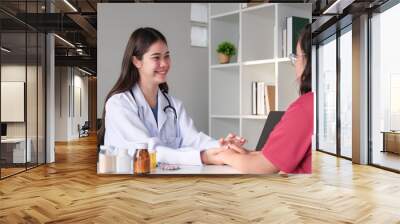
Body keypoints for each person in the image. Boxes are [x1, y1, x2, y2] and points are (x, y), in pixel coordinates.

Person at [98, 27, 245, 166]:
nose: (164, 64)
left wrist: (222, 145)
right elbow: (148, 151)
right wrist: (202, 157)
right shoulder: (119, 104)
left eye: (166, 56)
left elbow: (192, 139)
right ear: (137, 61)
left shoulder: (173, 105)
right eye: (156, 57)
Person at [216, 24, 313, 174]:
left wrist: (223, 155)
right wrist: (247, 154)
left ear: (308, 60)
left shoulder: (305, 107)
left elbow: (262, 167)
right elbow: (272, 159)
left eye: (296, 57)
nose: (295, 65)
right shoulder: (316, 103)